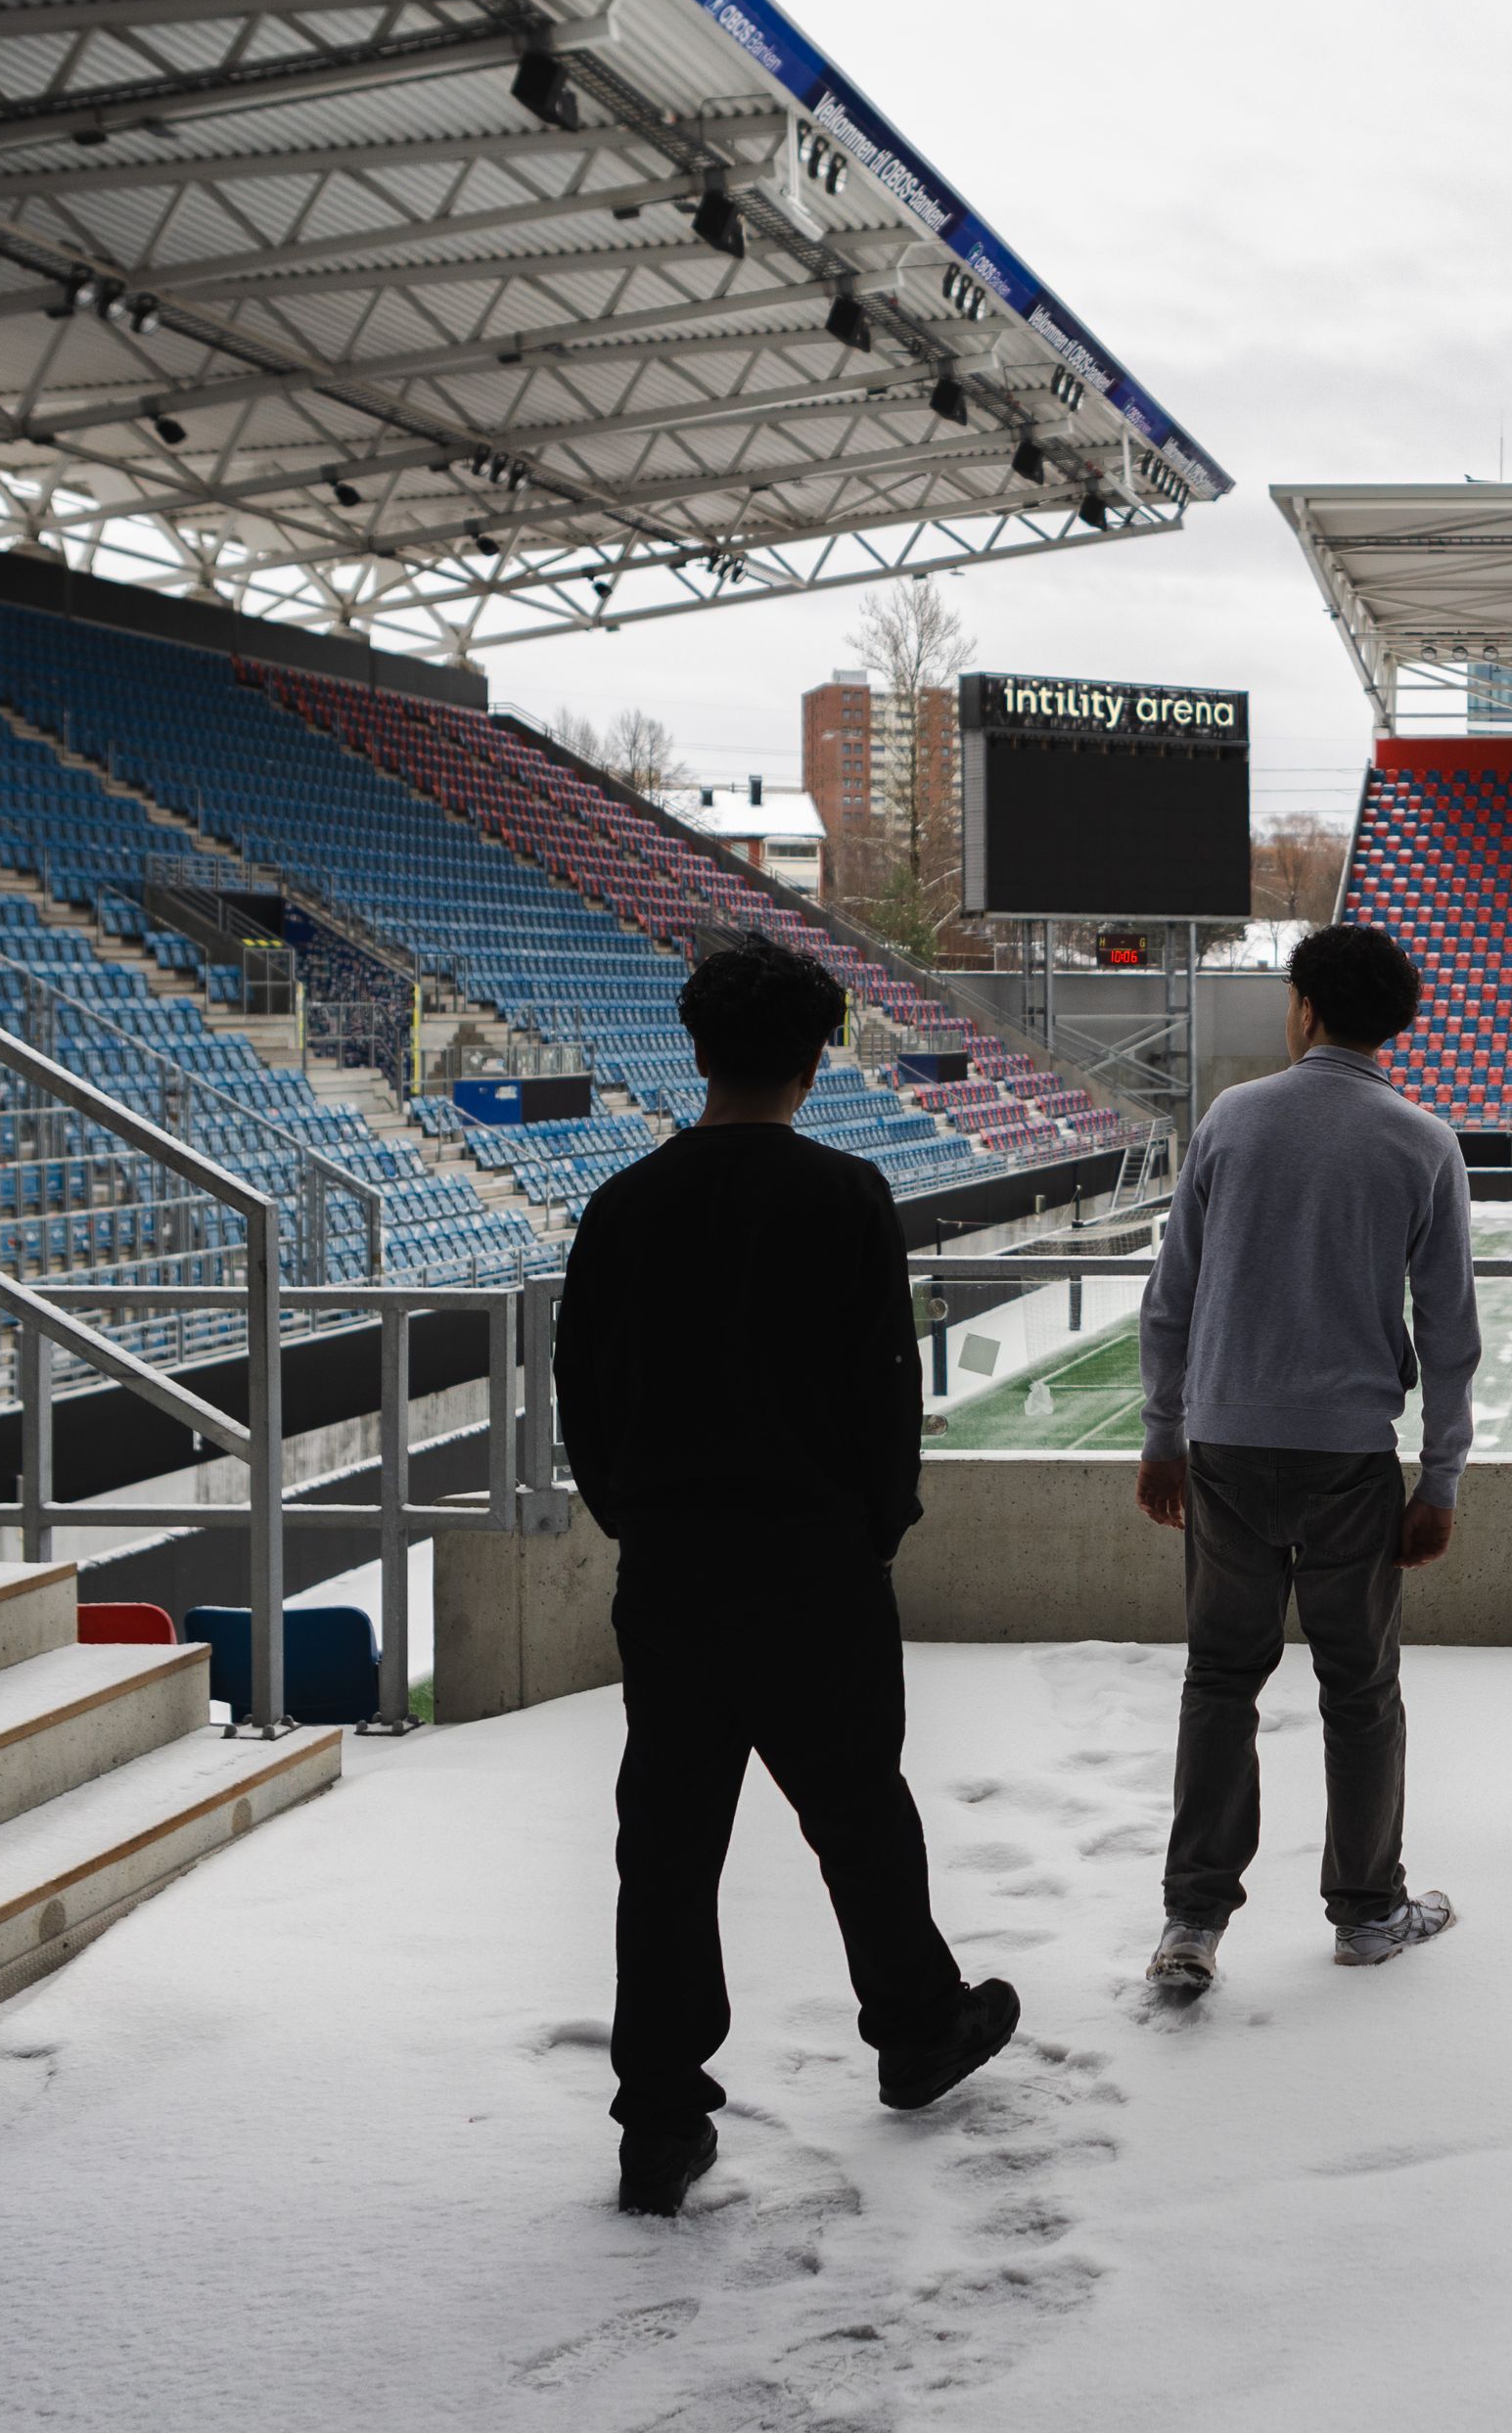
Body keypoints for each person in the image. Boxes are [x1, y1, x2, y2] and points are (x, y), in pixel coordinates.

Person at [558, 934, 1017, 2217]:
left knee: (668, 1845)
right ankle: (917, 2025)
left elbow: (582, 1398)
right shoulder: (844, 1195)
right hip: (814, 1564)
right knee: (861, 1815)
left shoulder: (624, 1206)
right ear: (816, 1063)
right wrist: (876, 1526)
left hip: (674, 1568)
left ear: (695, 1052)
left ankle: (659, 2119)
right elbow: (883, 1390)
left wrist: (640, 1519)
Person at [1132, 922, 1481, 1996]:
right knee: (1360, 1690)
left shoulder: (1233, 1121)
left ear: (1304, 1007)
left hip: (1229, 1448)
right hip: (1349, 1461)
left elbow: (1172, 1297)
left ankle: (1193, 1922)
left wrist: (1163, 1431)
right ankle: (1367, 1912)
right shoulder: (1423, 1141)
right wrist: (1441, 1480)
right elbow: (1451, 1332)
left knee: (1220, 1681)